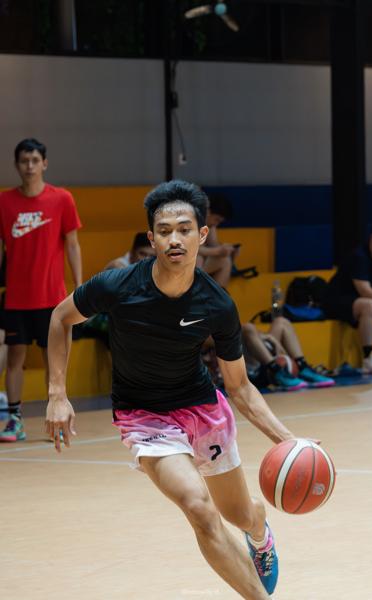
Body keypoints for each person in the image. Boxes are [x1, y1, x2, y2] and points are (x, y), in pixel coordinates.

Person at [45, 180, 317, 599]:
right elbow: (61, 318)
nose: (175, 239)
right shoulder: (117, 286)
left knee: (238, 513)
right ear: (151, 238)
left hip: (203, 411)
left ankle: (259, 532)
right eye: (165, 231)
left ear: (202, 235)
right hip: (145, 418)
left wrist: (289, 441)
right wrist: (57, 394)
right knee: (200, 508)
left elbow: (240, 387)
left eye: (185, 229)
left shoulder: (217, 305)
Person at [0, 138, 82, 442]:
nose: (30, 166)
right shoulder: (4, 202)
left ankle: (55, 419)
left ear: (44, 163)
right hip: (16, 298)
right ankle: (15, 421)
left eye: (35, 160)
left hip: (52, 298)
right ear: (16, 165)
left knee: (53, 361)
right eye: (24, 161)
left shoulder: (62, 199)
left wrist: (80, 287)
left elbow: (72, 245)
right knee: (14, 359)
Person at [323, 218, 372, 374]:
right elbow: (365, 291)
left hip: (363, 304)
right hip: (337, 302)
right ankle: (369, 357)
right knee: (369, 303)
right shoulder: (359, 256)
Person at [241, 318, 335, 391]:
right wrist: (265, 337)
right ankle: (276, 370)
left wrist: (267, 337)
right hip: (251, 371)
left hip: (263, 358)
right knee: (248, 327)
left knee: (281, 322)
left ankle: (302, 367)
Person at [196, 193, 239, 287]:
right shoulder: (191, 220)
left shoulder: (210, 225)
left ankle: (219, 295)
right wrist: (218, 251)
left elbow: (214, 245)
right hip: (178, 266)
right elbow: (191, 248)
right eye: (216, 219)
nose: (216, 224)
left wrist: (229, 251)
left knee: (225, 260)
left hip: (195, 268)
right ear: (208, 211)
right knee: (198, 258)